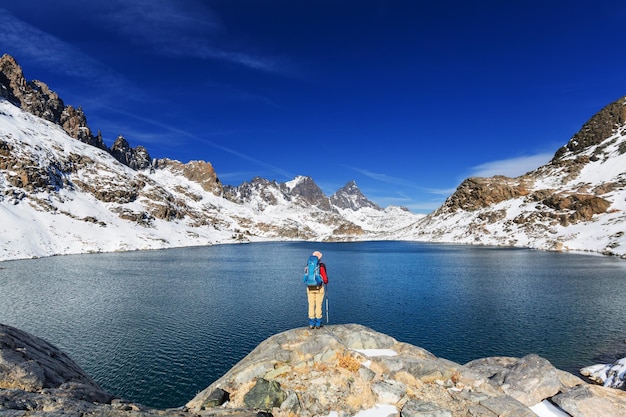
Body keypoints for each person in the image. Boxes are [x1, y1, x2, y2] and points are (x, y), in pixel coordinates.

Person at [306, 250, 328, 329]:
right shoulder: (321, 266)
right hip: (319, 288)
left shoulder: (308, 264)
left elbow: (306, 276)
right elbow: (325, 279)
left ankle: (311, 323)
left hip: (309, 288)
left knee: (311, 305)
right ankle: (318, 324)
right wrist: (326, 281)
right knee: (318, 305)